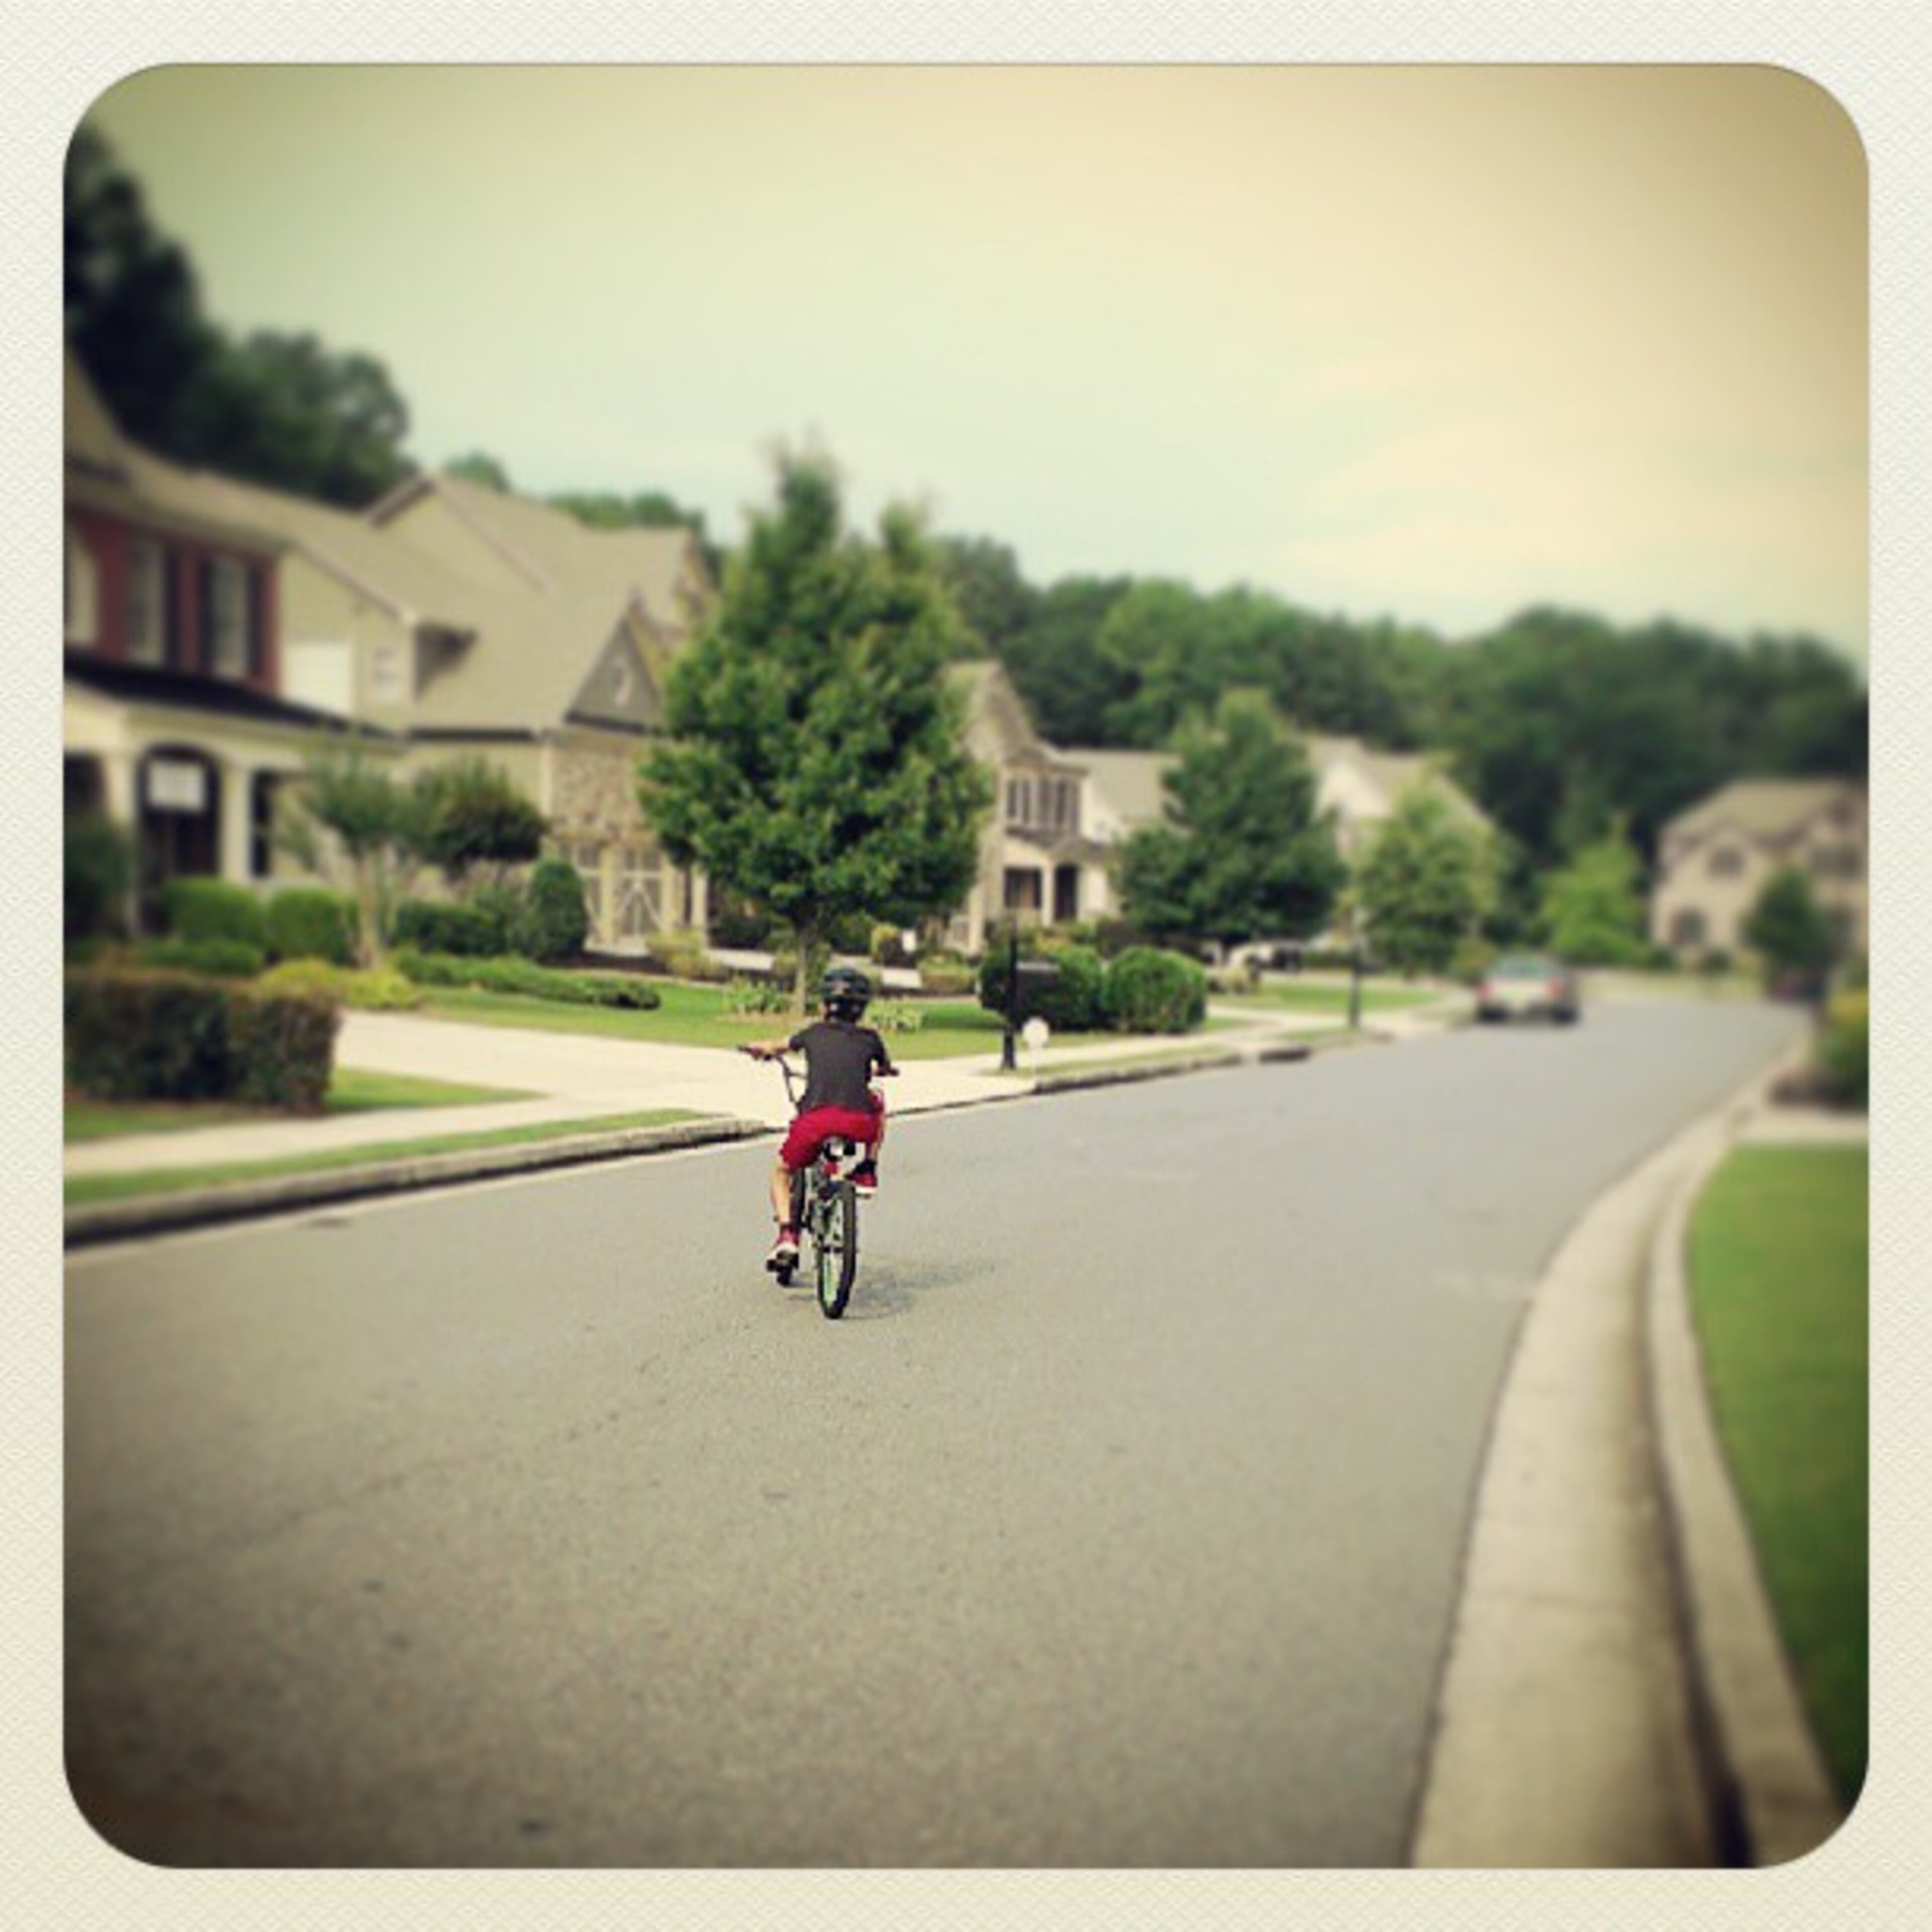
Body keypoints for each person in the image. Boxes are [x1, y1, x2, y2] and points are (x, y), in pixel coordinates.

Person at [740, 964, 896, 1272]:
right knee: (878, 1101)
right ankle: (868, 1168)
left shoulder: (812, 1033)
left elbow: (777, 1046)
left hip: (816, 1122)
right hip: (858, 1124)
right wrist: (880, 1070)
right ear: (862, 1009)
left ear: (825, 1005)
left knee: (782, 1172)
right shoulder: (870, 1038)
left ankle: (787, 1235)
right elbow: (884, 1067)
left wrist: (760, 1050)